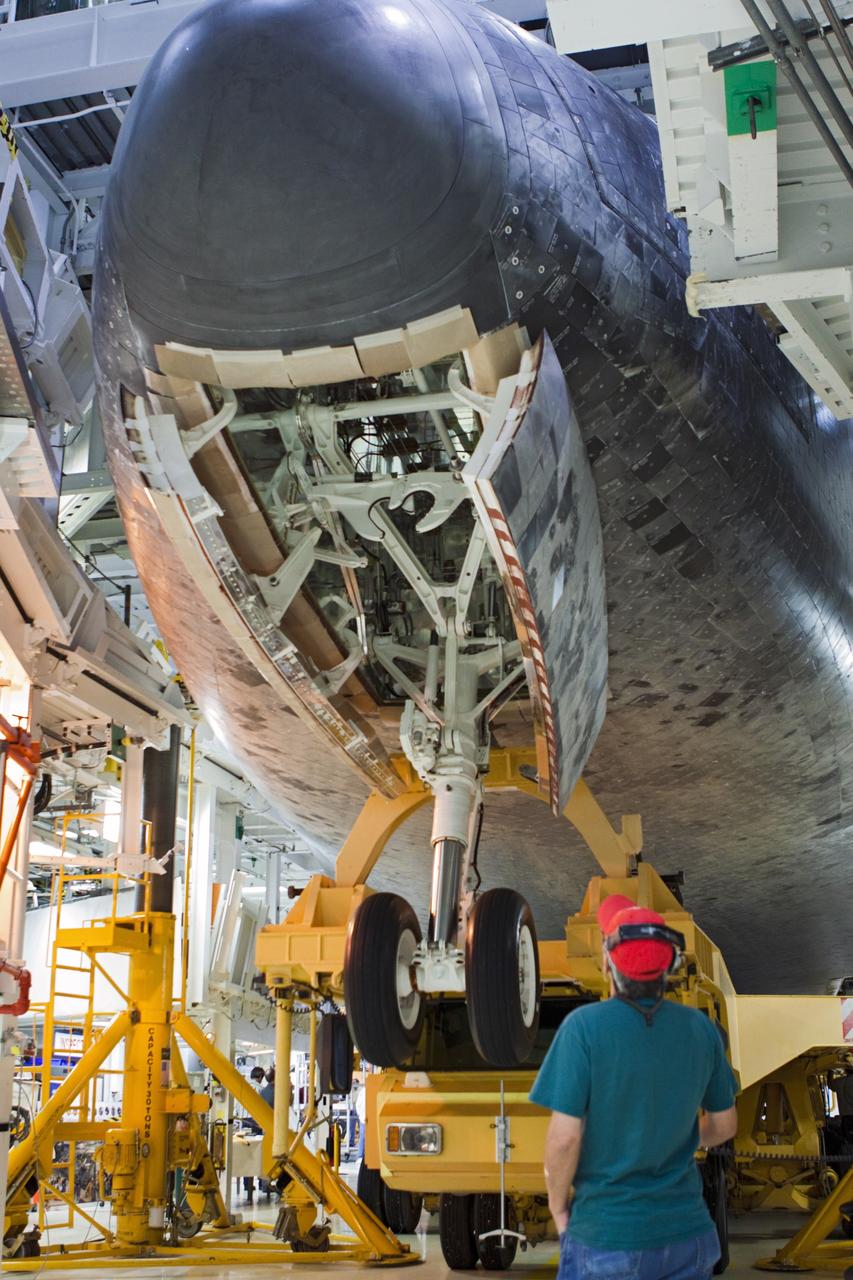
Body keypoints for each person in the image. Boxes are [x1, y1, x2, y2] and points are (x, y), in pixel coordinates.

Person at [530, 894, 739, 1280]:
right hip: (688, 1237)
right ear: (670, 966)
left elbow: (564, 1140)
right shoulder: (701, 1030)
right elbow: (725, 1126)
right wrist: (675, 1139)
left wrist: (559, 1208)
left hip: (607, 1237)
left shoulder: (583, 1029)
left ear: (609, 965)